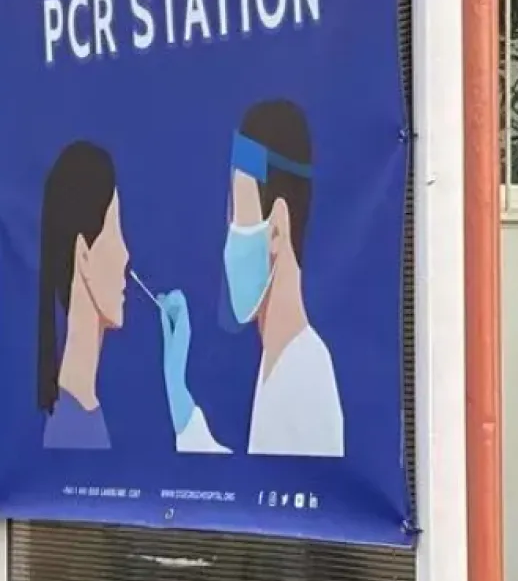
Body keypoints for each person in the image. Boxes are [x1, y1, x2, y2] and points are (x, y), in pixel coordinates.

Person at [165, 99, 345, 457]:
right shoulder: (278, 362)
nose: (231, 236)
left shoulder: (307, 376)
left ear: (277, 227)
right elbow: (254, 487)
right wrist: (183, 410)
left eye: (238, 212)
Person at [37, 141, 132, 450]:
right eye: (116, 233)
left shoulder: (81, 411)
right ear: (84, 255)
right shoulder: (72, 426)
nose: (126, 255)